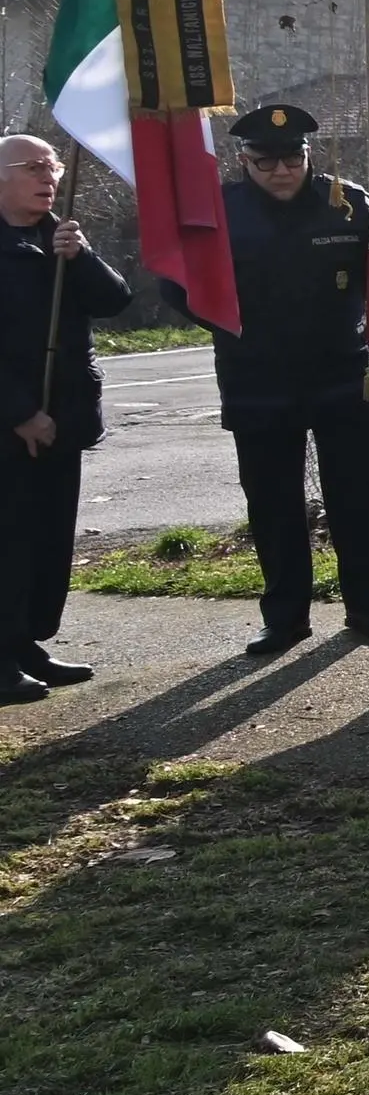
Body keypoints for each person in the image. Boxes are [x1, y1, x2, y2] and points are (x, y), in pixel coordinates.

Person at [180, 103, 369, 659]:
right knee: (273, 499)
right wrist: (235, 326)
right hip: (257, 375)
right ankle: (284, 616)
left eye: (292, 158)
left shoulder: (347, 204)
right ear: (243, 160)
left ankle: (366, 603)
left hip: (337, 370)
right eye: (266, 160)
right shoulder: (218, 211)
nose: (281, 170)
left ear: (308, 155)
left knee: (355, 493)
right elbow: (179, 288)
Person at [0, 135, 131, 701]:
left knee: (49, 541)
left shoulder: (56, 236)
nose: (48, 175)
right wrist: (20, 412)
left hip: (65, 417)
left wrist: (81, 256)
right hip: (14, 424)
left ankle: (28, 642)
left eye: (51, 165)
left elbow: (113, 301)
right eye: (32, 166)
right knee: (9, 541)